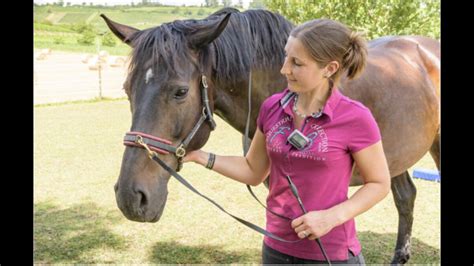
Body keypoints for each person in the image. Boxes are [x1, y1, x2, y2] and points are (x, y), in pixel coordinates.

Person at [183, 18, 391, 265]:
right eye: (286, 57)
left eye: (297, 63)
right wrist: (199, 156)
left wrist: (331, 217)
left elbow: (379, 183)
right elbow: (253, 170)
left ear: (329, 68)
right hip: (275, 248)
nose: (284, 69)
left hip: (330, 254)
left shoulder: (355, 117)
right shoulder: (271, 107)